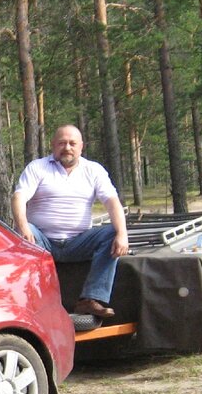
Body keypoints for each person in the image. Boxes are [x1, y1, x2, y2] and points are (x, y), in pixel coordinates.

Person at [11, 124, 129, 318]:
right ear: (53, 145)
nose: (67, 147)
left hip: (79, 242)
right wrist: (23, 227)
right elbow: (19, 197)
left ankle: (90, 299)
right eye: (62, 143)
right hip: (42, 241)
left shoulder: (94, 170)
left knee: (112, 233)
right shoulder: (37, 167)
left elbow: (112, 201)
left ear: (81, 146)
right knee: (21, 233)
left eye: (72, 143)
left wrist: (122, 234)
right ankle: (35, 303)